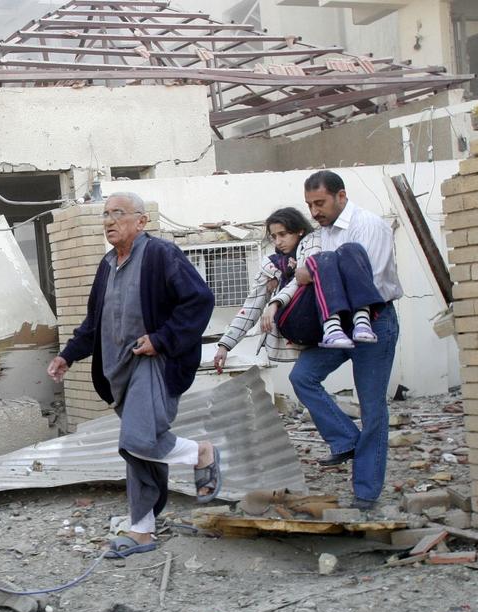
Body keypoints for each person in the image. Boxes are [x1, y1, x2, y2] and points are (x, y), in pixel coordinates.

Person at [46, 192, 220, 559]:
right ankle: (144, 529)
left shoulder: (160, 255)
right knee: (142, 448)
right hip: (118, 372)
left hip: (154, 364)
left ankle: (199, 455)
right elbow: (94, 324)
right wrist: (68, 356)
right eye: (105, 215)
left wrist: (161, 339)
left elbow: (199, 300)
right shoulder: (107, 265)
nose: (109, 221)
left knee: (137, 440)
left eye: (119, 214)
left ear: (141, 221)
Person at [268, 171, 402, 511]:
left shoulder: (369, 226)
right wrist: (287, 293)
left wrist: (314, 272)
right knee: (302, 377)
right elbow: (309, 277)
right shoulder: (323, 234)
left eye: (320, 203)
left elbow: (361, 280)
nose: (314, 212)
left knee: (372, 408)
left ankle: (366, 493)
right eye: (309, 205)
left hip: (375, 318)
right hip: (337, 323)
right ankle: (345, 439)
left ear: (341, 196)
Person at [213, 207, 312, 374]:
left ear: (300, 231)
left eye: (283, 234)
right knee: (302, 379)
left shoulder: (314, 252)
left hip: (329, 329)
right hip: (299, 332)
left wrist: (274, 304)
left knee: (303, 380)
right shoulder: (273, 267)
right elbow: (252, 306)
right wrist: (224, 345)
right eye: (274, 236)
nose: (278, 241)